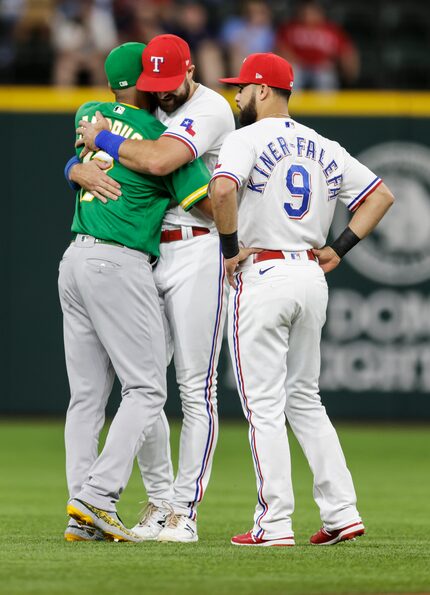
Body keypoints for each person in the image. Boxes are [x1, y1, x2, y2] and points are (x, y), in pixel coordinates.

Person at [211, 52, 394, 546]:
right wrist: (338, 248)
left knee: (265, 405)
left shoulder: (244, 137)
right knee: (305, 400)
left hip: (264, 271)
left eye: (243, 87)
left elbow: (222, 189)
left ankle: (273, 524)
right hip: (311, 275)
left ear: (264, 90)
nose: (237, 94)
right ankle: (342, 512)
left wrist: (229, 248)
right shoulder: (323, 144)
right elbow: (380, 196)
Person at [71, 33, 235, 543]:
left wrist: (98, 144)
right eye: (153, 83)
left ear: (191, 70)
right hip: (144, 254)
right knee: (141, 384)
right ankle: (157, 502)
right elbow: (96, 160)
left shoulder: (208, 108)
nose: (163, 92)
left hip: (196, 249)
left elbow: (162, 162)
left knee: (192, 386)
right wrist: (73, 167)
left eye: (170, 82)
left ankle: (182, 510)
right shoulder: (142, 111)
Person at [276, 0, 359, 90]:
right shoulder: (290, 28)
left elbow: (346, 52)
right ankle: (292, 103)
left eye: (313, 11)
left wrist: (349, 71)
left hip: (322, 69)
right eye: (306, 11)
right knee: (294, 72)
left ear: (321, 12)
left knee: (325, 76)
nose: (308, 14)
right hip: (298, 66)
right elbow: (281, 48)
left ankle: (326, 104)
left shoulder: (331, 30)